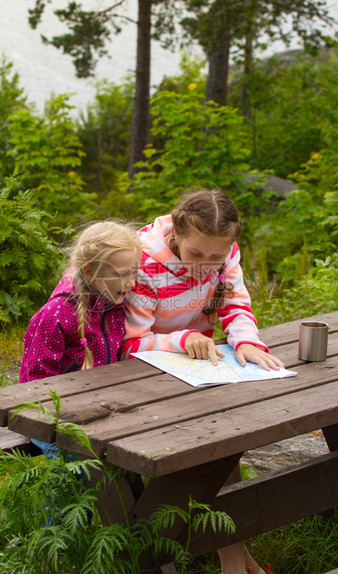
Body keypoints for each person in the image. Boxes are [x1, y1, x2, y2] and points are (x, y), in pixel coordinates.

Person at [121, 188, 283, 574]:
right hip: (142, 377)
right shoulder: (142, 262)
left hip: (197, 370)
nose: (207, 266)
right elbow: (128, 344)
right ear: (176, 234)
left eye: (217, 257)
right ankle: (233, 560)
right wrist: (182, 339)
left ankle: (232, 561)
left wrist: (245, 340)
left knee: (226, 445)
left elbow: (236, 305)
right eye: (197, 255)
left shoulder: (222, 255)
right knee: (208, 454)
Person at [20, 221, 142, 457]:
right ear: (88, 271)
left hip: (97, 409)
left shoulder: (113, 302)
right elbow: (33, 385)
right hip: (50, 418)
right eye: (121, 275)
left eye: (134, 273)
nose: (131, 283)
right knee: (81, 469)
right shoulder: (55, 315)